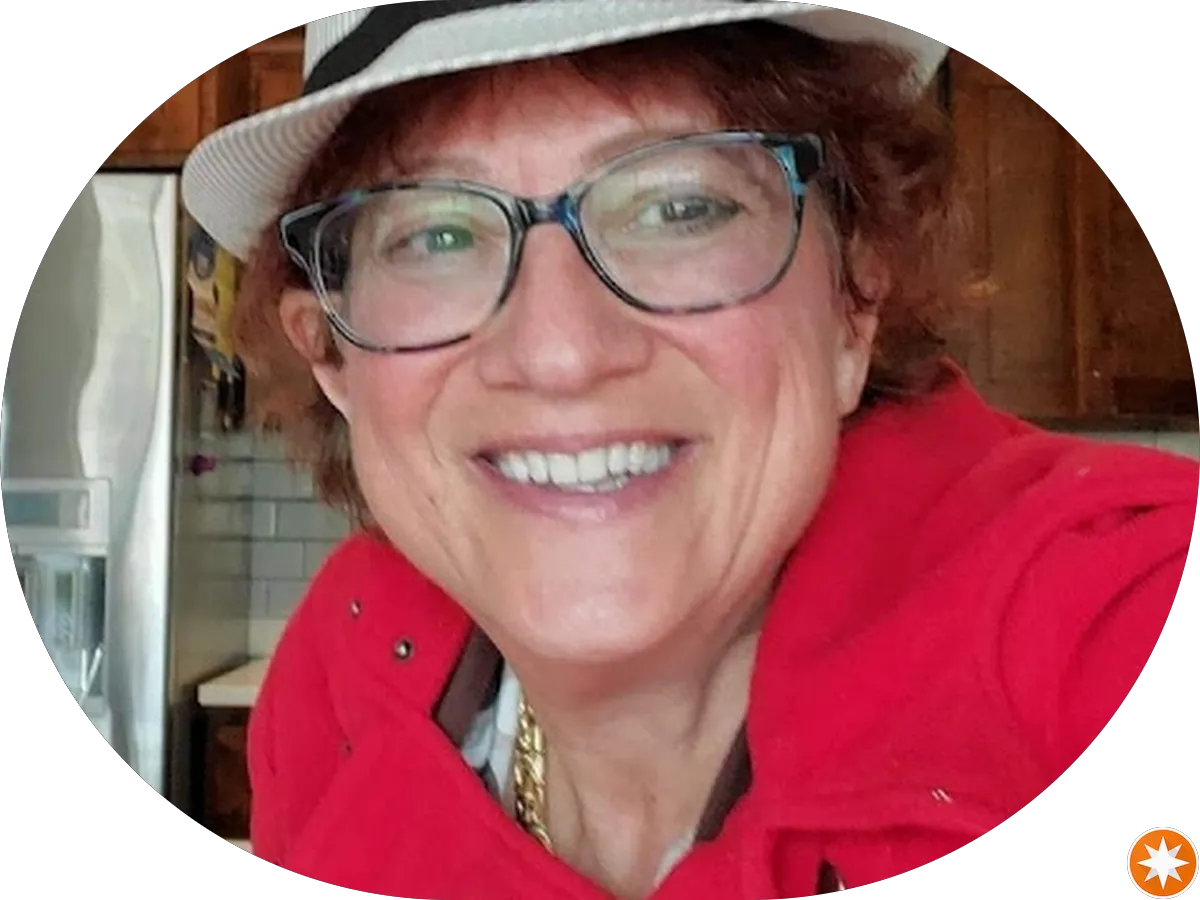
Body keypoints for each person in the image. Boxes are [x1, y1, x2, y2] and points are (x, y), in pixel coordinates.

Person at [180, 4, 1197, 898]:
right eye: (434, 235)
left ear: (854, 303)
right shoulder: (342, 672)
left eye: (681, 208)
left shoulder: (1097, 615)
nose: (562, 353)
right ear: (331, 356)